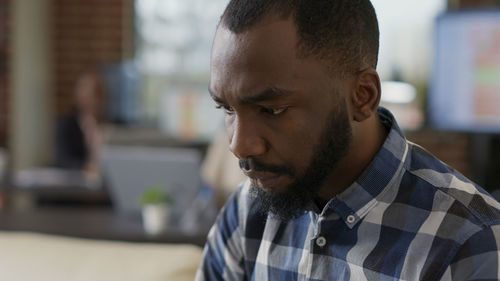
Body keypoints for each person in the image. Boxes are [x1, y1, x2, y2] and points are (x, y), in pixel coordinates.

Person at [196, 0, 500, 280]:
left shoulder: (469, 242)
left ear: (362, 97)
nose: (239, 146)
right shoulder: (245, 213)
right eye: (227, 109)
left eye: (272, 109)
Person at [55, 73, 105, 177]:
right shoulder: (66, 126)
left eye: (94, 94)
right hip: (75, 186)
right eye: (87, 94)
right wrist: (86, 167)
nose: (91, 100)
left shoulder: (110, 125)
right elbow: (63, 160)